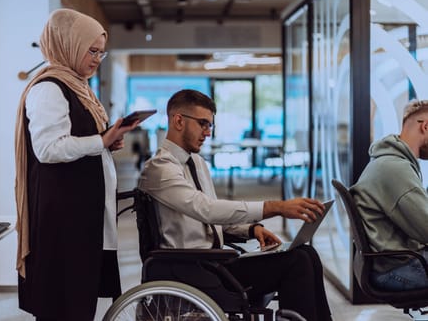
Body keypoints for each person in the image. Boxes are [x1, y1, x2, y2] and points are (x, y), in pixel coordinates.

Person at [138, 89, 333, 321]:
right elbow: (206, 209)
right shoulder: (160, 169)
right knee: (296, 263)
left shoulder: (197, 162)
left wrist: (251, 229)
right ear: (178, 120)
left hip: (215, 263)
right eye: (203, 124)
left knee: (306, 253)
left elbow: (210, 217)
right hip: (192, 269)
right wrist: (275, 207)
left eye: (210, 125)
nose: (208, 132)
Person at [14, 8, 139, 321]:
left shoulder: (79, 87)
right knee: (63, 304)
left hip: (79, 215)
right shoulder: (49, 89)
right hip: (63, 219)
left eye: (101, 52)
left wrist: (108, 142)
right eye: (91, 50)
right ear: (68, 44)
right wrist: (101, 142)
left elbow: (78, 141)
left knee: (79, 301)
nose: (97, 58)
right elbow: (48, 149)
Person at [352, 99, 428, 291]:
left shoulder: (387, 162)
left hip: (391, 263)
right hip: (397, 269)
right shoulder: (395, 169)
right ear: (425, 127)